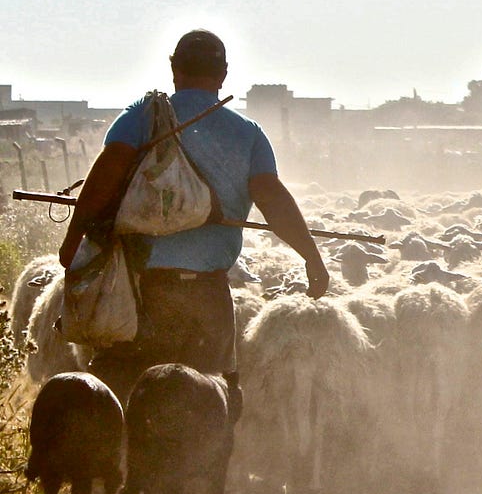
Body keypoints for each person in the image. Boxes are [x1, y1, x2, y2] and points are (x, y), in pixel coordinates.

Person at [58, 29, 330, 406]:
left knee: (117, 400)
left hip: (140, 296)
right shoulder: (247, 133)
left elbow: (105, 175)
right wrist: (311, 257)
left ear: (174, 69)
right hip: (205, 300)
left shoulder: (143, 117)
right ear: (223, 75)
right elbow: (273, 198)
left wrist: (72, 241)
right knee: (213, 405)